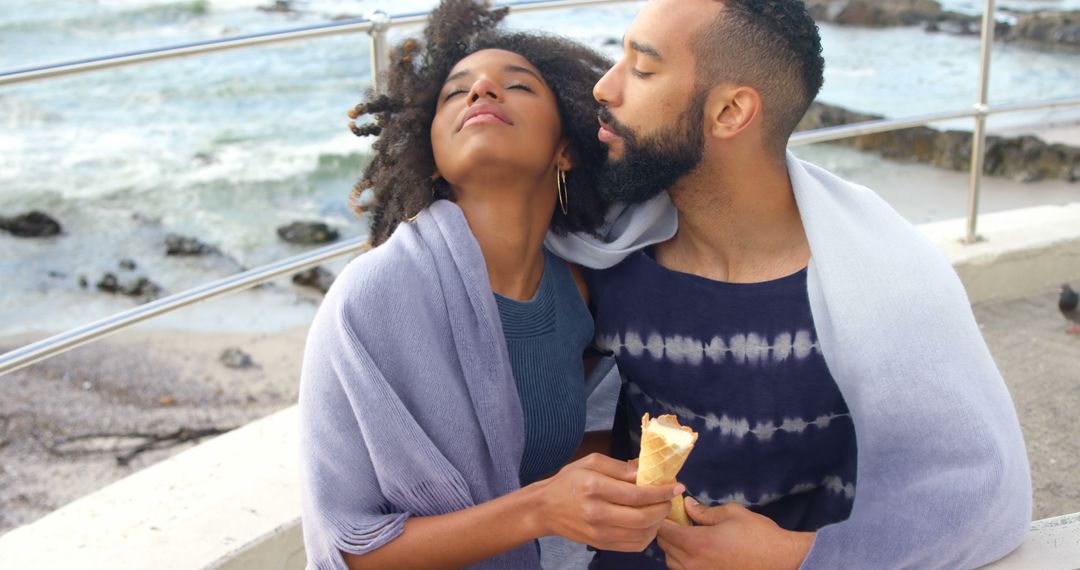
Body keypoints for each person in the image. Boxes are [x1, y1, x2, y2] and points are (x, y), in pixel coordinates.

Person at [546, 0, 1032, 568]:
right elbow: (559, 416)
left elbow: (981, 491)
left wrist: (791, 555)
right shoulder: (608, 253)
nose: (604, 87)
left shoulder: (876, 284)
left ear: (729, 111)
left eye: (643, 68)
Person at [297, 1, 683, 568]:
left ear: (566, 148)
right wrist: (541, 510)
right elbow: (348, 548)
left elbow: (532, 454)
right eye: (456, 92)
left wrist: (621, 489)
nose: (480, 90)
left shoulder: (576, 295)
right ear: (432, 157)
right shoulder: (373, 296)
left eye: (518, 86)